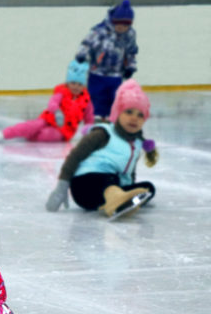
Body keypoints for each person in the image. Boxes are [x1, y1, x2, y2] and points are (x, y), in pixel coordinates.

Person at [45, 79, 159, 218]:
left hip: (107, 189)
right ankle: (115, 200)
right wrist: (62, 188)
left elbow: (130, 173)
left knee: (148, 188)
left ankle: (118, 199)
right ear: (118, 113)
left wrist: (129, 187)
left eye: (140, 114)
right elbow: (74, 157)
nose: (134, 118)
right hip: (85, 186)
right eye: (129, 112)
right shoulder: (103, 133)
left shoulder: (137, 143)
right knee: (107, 178)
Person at [0, 60, 93, 144]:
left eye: (79, 84)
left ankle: (29, 136)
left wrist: (89, 130)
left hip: (64, 131)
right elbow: (52, 103)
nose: (76, 86)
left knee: (47, 135)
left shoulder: (86, 100)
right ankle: (3, 134)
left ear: (84, 85)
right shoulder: (62, 92)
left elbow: (89, 119)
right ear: (68, 82)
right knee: (32, 126)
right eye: (73, 83)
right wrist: (57, 111)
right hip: (48, 119)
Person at [75, 0, 138, 119]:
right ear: (113, 21)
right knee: (96, 98)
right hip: (97, 73)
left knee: (114, 99)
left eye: (126, 25)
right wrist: (82, 54)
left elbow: (131, 52)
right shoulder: (100, 31)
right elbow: (87, 43)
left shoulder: (130, 34)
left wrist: (130, 66)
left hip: (115, 75)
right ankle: (96, 120)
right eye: (118, 23)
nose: (121, 28)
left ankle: (111, 120)